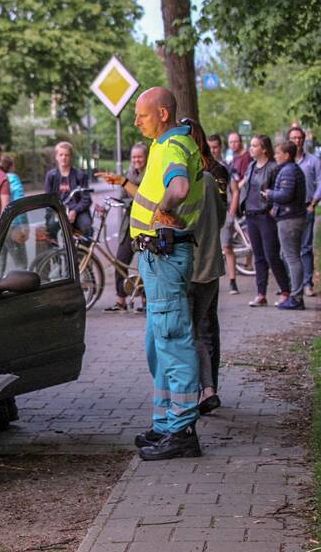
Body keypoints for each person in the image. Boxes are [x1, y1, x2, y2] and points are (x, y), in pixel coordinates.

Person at [128, 87, 205, 461]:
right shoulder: (165, 142)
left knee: (173, 340)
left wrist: (162, 209)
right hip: (157, 257)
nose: (136, 121)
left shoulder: (173, 146)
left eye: (141, 115)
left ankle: (182, 429)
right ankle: (164, 422)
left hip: (165, 253)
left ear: (161, 113)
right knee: (158, 345)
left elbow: (179, 186)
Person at [184, 119, 229, 415]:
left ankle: (203, 389)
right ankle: (207, 389)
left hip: (192, 267)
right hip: (210, 266)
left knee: (196, 331)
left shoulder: (195, 179)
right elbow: (221, 216)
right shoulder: (211, 179)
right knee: (203, 327)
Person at [96, 143, 147, 312]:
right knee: (120, 261)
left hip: (146, 226)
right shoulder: (129, 173)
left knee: (145, 264)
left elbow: (146, 198)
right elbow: (123, 197)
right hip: (129, 223)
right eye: (133, 157)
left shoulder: (150, 174)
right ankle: (121, 301)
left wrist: (133, 199)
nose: (136, 160)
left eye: (139, 156)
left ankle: (146, 301)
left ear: (146, 157)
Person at [240, 135, 288, 306]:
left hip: (265, 215)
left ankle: (285, 291)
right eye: (251, 145)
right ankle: (261, 294)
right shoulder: (252, 166)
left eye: (254, 145)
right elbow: (245, 186)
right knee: (258, 257)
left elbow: (278, 191)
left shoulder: (273, 168)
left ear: (264, 149)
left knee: (272, 255)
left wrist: (274, 209)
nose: (251, 148)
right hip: (251, 214)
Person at [266, 141, 308, 310]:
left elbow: (285, 195)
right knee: (288, 256)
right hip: (291, 217)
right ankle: (295, 294)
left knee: (292, 257)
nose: (275, 156)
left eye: (278, 153)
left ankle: (296, 297)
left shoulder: (289, 171)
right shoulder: (290, 169)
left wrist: (269, 194)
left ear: (287, 155)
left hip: (290, 219)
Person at [288, 126, 321, 297]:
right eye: (294, 138)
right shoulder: (285, 160)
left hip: (307, 207)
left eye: (299, 137)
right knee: (288, 248)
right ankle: (292, 284)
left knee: (305, 248)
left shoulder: (313, 161)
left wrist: (314, 202)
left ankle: (307, 283)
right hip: (288, 211)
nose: (297, 141)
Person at [212, 134, 242, 294]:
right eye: (210, 147)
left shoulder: (228, 167)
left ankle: (232, 281)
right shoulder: (204, 166)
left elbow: (235, 191)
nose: (213, 150)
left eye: (215, 147)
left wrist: (231, 212)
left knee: (227, 247)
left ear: (220, 148)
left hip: (224, 211)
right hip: (209, 214)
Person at [44, 141, 92, 238]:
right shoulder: (51, 176)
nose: (63, 158)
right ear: (56, 157)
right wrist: (57, 211)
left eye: (67, 155)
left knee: (86, 227)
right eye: (61, 155)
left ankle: (84, 252)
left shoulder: (80, 175)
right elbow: (48, 198)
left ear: (71, 157)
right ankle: (56, 252)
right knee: (50, 228)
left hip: (78, 211)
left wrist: (75, 211)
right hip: (59, 211)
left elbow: (86, 199)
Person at [0, 155, 28, 271]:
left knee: (0, 263)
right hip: (13, 225)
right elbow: (20, 203)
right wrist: (23, 226)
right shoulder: (13, 179)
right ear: (11, 166)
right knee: (21, 264)